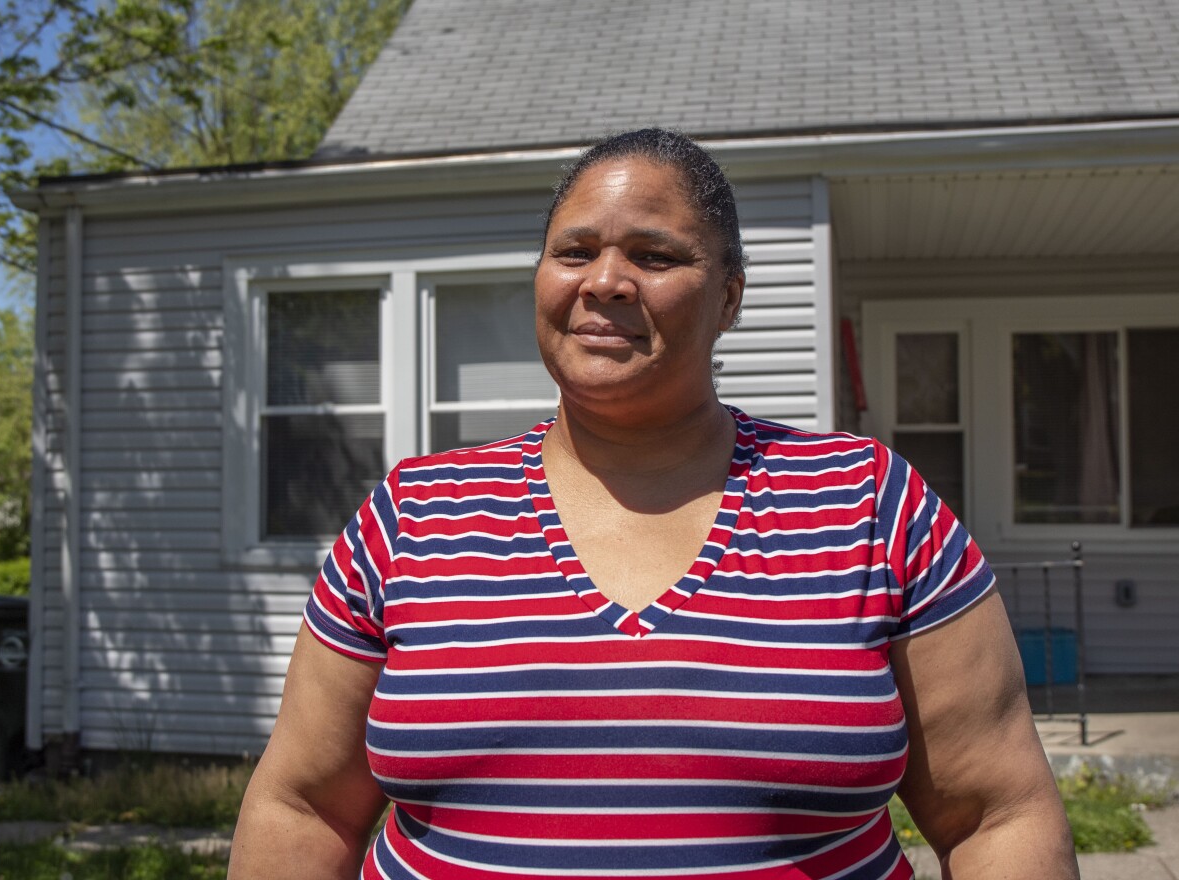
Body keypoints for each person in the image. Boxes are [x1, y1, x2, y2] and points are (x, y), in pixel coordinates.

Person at [230, 128, 1078, 879]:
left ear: (730, 299)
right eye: (574, 252)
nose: (606, 282)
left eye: (655, 256)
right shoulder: (413, 517)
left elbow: (997, 815)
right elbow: (303, 808)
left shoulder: (868, 505)